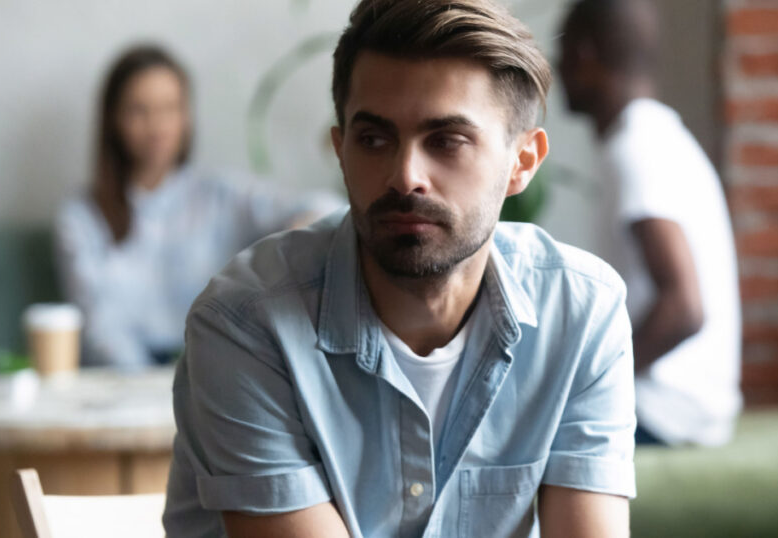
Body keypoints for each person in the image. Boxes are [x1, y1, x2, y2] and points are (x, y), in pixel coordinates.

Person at [164, 1, 636, 536]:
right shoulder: (248, 323)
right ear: (340, 151)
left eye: (446, 140)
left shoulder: (580, 314)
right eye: (374, 139)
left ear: (522, 162)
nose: (405, 175)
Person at [55, 45, 341, 369]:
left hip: (214, 371)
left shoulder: (220, 196)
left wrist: (300, 233)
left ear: (186, 115)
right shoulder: (82, 217)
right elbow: (98, 330)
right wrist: (155, 388)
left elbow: (328, 209)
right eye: (139, 110)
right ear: (113, 119)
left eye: (169, 108)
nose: (156, 126)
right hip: (123, 383)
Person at [558, 0, 742, 446]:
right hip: (691, 406)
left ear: (583, 57)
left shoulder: (636, 147)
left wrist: (589, 384)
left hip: (666, 411)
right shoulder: (654, 136)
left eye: (559, 58)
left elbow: (685, 308)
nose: (556, 73)